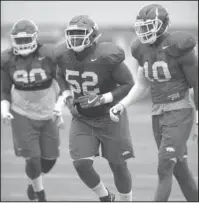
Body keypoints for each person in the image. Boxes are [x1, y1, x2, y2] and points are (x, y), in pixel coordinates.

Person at [109, 3, 198, 202]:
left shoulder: (179, 46)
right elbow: (142, 84)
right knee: (180, 169)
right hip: (158, 113)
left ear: (164, 25)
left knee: (165, 166)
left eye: (150, 26)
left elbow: (196, 84)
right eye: (143, 26)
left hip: (179, 111)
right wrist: (122, 104)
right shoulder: (140, 49)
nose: (145, 31)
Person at [53, 15, 134, 201]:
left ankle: (126, 200)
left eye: (80, 34)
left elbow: (129, 84)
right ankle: (105, 197)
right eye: (71, 34)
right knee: (81, 164)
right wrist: (67, 98)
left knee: (118, 165)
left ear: (93, 36)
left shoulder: (106, 56)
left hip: (111, 116)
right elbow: (60, 76)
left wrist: (102, 99)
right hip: (83, 117)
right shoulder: (62, 55)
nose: (75, 39)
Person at [1, 19, 63, 202]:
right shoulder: (7, 59)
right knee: (33, 159)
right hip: (22, 113)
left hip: (47, 112)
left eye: (26, 39)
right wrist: (4, 110)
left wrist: (59, 107)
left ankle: (31, 181)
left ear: (35, 37)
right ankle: (40, 194)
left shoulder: (49, 55)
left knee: (49, 160)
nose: (22, 44)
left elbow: (63, 84)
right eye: (18, 40)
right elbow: (4, 90)